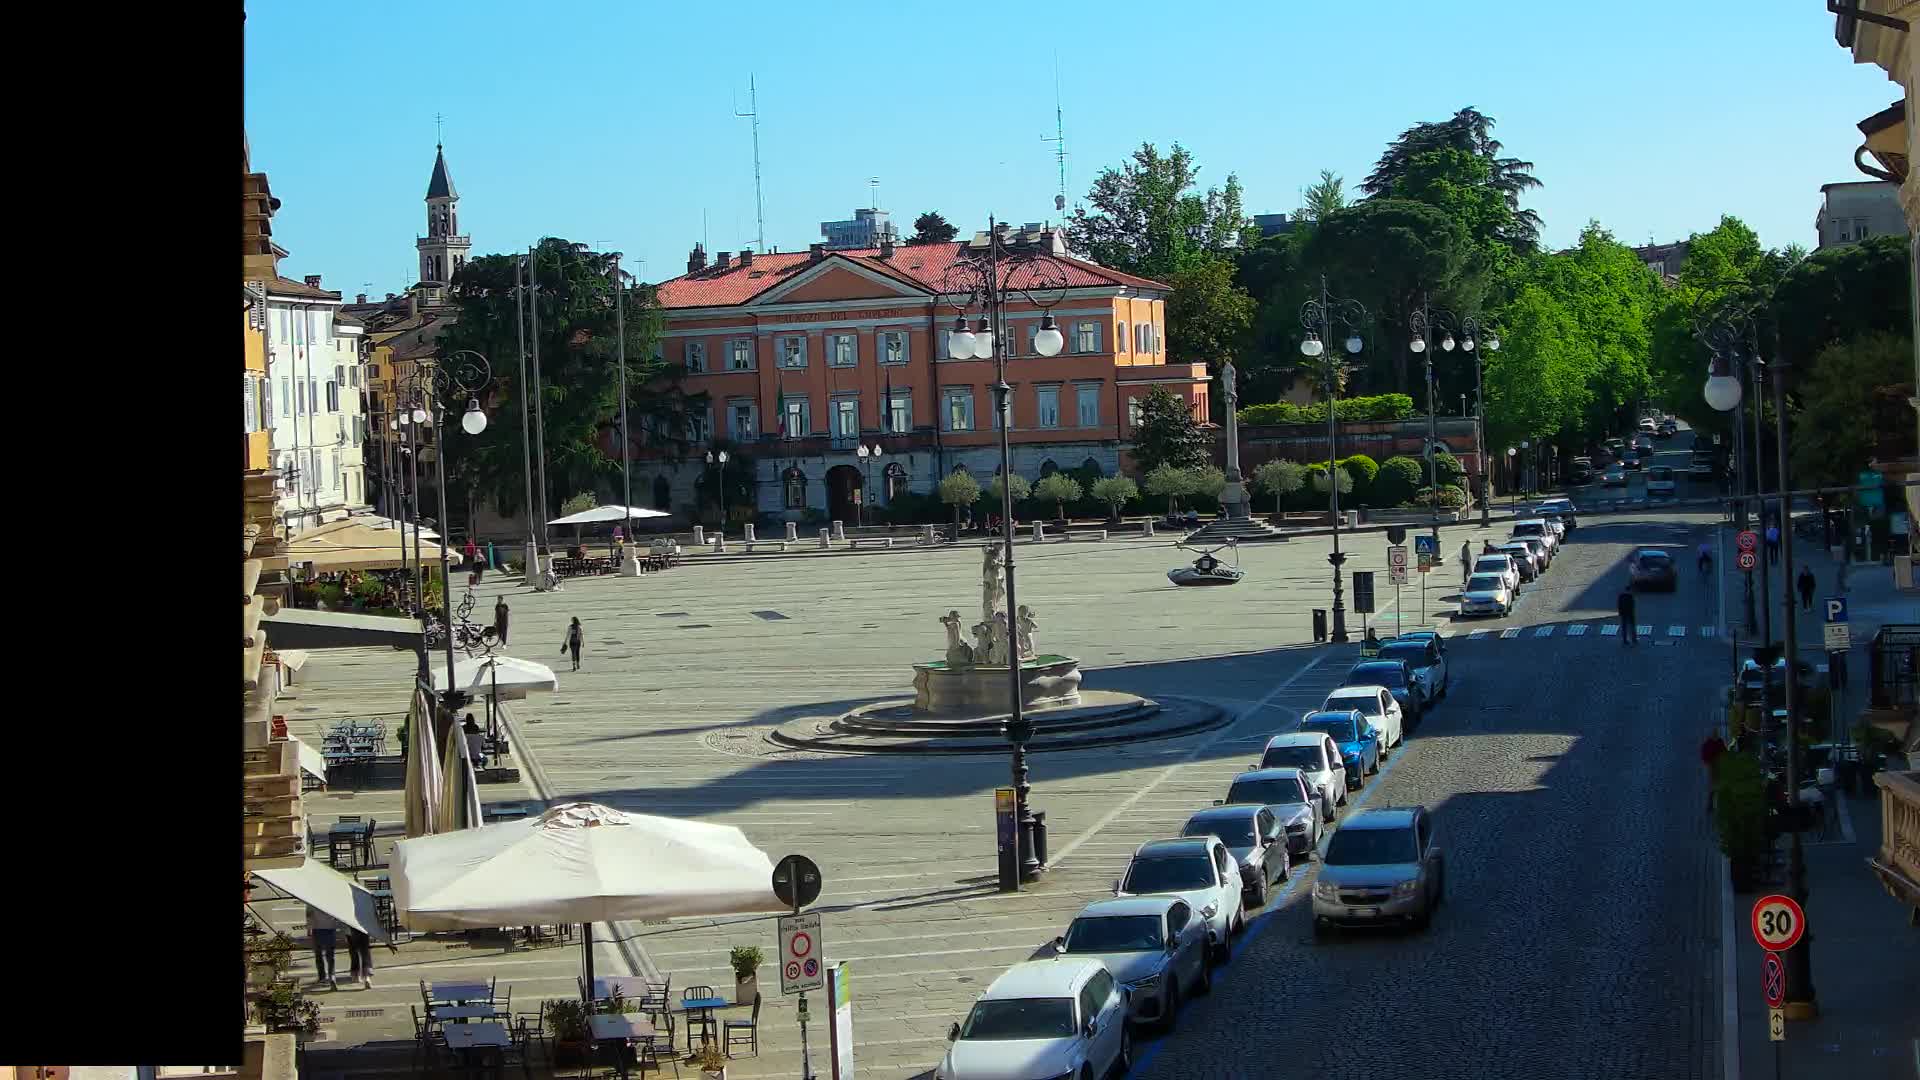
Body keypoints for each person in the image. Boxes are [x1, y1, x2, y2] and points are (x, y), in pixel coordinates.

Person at [307, 904, 341, 990]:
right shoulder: (330, 898)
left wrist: (309, 928)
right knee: (330, 955)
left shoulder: (311, 898)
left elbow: (309, 914)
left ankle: (322, 977)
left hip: (317, 928)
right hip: (330, 928)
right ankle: (332, 976)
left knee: (318, 954)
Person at [1701, 729, 1728, 813]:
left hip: (1715, 765)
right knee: (1715, 785)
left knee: (1714, 785)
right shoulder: (1718, 742)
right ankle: (1713, 804)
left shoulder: (1709, 743)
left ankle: (1712, 804)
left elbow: (1704, 754)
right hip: (1717, 765)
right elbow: (1725, 752)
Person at [345, 925, 374, 989]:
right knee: (365, 951)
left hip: (351, 928)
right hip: (363, 927)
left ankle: (355, 975)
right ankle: (367, 977)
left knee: (353, 952)